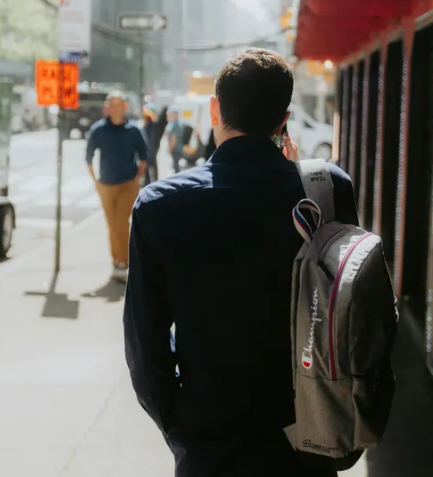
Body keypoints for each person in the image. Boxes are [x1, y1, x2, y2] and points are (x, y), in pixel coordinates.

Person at [124, 49, 358, 477]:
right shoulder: (327, 191)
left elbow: (145, 349)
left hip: (209, 444)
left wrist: (180, 425)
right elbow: (343, 310)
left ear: (216, 109)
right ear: (283, 119)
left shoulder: (160, 205)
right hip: (307, 441)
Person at [86, 90, 148, 283]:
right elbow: (88, 157)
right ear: (107, 107)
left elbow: (144, 157)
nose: (115, 107)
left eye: (118, 103)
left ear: (125, 107)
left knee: (121, 223)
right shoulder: (98, 130)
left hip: (127, 184)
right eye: (111, 104)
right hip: (106, 185)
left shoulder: (133, 130)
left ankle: (123, 262)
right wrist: (95, 181)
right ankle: (117, 261)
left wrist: (136, 179)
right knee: (112, 225)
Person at [142, 102, 167, 185]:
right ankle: (150, 181)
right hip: (149, 148)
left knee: (150, 164)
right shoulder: (147, 125)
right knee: (150, 165)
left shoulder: (154, 125)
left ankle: (151, 181)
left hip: (152, 148)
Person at [165, 106, 185, 173]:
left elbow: (174, 139)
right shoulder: (176, 123)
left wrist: (170, 149)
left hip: (176, 149)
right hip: (177, 148)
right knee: (175, 165)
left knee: (176, 166)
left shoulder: (175, 124)